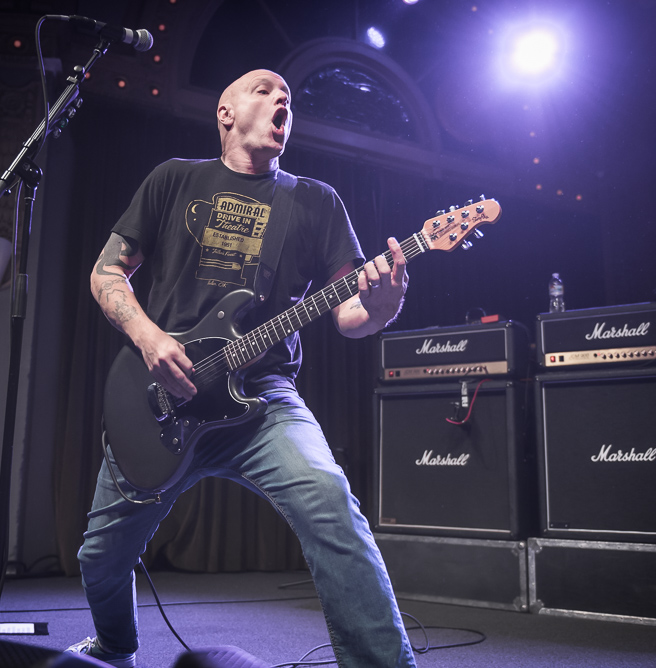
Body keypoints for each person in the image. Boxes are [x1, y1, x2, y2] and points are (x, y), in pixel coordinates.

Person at [67, 69, 416, 668]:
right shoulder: (174, 178)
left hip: (263, 400)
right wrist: (150, 339)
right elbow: (107, 273)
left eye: (289, 97)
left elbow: (349, 313)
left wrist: (383, 306)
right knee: (99, 555)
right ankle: (115, 646)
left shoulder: (315, 201)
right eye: (264, 89)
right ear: (225, 112)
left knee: (330, 499)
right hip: (162, 394)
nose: (283, 99)